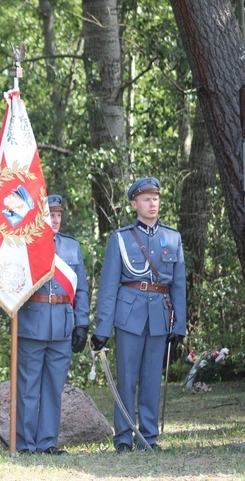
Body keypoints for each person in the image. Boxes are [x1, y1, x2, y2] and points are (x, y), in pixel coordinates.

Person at [91, 177, 186, 452]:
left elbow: (178, 285)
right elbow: (108, 287)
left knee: (151, 380)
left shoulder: (173, 237)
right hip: (128, 316)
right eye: (146, 199)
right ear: (135, 204)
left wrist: (179, 324)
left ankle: (148, 437)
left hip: (159, 315)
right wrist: (102, 329)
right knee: (127, 379)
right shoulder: (120, 239)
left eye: (155, 198)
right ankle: (123, 437)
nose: (152, 203)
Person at [15, 195, 90, 455]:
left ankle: (47, 443)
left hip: (62, 325)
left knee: (53, 388)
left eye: (58, 215)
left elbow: (81, 290)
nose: (56, 219)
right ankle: (25, 444)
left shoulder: (71, 247)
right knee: (27, 388)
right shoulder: (25, 245)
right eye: (51, 214)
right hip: (32, 323)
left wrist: (82, 323)